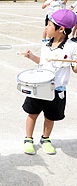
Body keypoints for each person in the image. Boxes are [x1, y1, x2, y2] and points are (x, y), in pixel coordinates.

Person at [22, 9, 77, 155]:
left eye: (49, 25)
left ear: (61, 29)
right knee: (32, 113)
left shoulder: (72, 46)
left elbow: (75, 68)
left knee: (50, 116)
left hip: (57, 89)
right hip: (40, 86)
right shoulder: (46, 43)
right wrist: (32, 57)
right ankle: (28, 139)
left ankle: (45, 139)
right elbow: (43, 62)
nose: (46, 27)